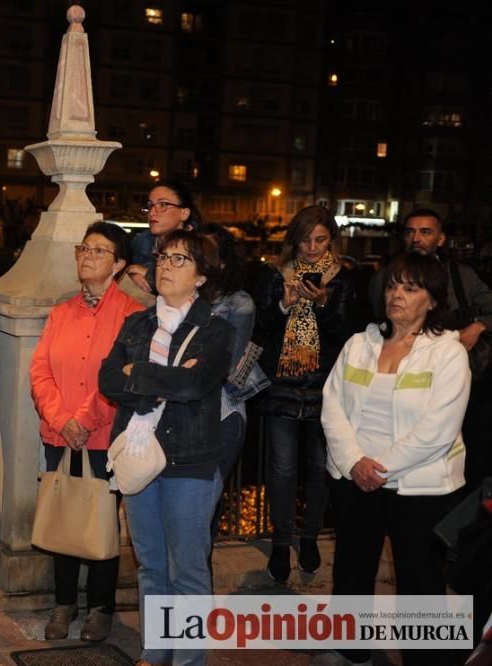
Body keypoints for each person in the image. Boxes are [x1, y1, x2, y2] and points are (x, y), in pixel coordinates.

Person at [320, 252, 469, 666]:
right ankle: (350, 653)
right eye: (392, 285)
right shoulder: (359, 344)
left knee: (421, 583)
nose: (396, 295)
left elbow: (437, 430)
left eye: (410, 287)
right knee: (350, 572)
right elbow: (332, 407)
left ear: (433, 300)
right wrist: (354, 461)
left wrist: (377, 467)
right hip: (355, 479)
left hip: (420, 487)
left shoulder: (447, 353)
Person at [99, 230, 235, 666]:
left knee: (188, 571)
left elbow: (196, 385)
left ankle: (189, 660)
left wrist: (134, 373)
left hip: (189, 461)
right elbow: (107, 381)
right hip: (138, 458)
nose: (166, 266)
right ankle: (156, 653)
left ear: (201, 276)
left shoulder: (215, 330)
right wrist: (158, 381)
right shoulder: (136, 323)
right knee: (151, 566)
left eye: (179, 260)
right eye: (163, 257)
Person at [29, 221, 144, 641]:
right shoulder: (61, 313)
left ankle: (101, 608)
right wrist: (63, 420)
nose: (87, 256)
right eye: (84, 249)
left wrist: (87, 419)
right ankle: (64, 604)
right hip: (59, 435)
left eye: (99, 251)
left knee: (100, 522)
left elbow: (123, 376)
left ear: (119, 264)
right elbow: (40, 371)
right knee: (64, 516)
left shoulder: (132, 315)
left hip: (104, 436)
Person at [252, 206, 355, 583]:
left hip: (326, 385)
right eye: (305, 239)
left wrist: (324, 303)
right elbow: (260, 323)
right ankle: (281, 542)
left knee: (319, 468)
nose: (311, 248)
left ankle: (308, 536)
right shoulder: (274, 274)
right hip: (281, 385)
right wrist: (284, 304)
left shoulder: (342, 279)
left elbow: (346, 334)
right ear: (293, 240)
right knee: (280, 468)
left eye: (320, 240)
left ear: (332, 240)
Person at [369, 209, 492, 489]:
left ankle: (460, 529)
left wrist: (479, 326)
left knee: (471, 463)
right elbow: (378, 327)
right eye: (410, 232)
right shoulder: (384, 279)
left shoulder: (461, 277)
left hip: (466, 386)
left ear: (440, 239)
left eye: (426, 232)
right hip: (408, 387)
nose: (417, 238)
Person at [197, 224, 270, 542]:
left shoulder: (239, 303)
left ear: (222, 262)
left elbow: (229, 365)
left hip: (222, 410)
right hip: (177, 415)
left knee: (206, 505)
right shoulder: (174, 299)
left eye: (205, 254)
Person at [125, 179, 200, 294]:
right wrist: (130, 274)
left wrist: (149, 274)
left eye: (163, 205)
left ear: (184, 213)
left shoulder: (201, 245)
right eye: (150, 205)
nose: (152, 213)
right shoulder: (140, 241)